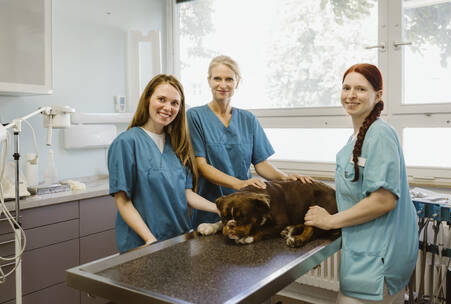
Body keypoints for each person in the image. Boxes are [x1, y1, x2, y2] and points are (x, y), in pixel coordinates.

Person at [304, 63, 418, 303]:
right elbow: (355, 191)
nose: (351, 95)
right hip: (366, 252)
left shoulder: (380, 134)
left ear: (378, 96)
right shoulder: (358, 136)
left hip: (378, 257)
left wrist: (329, 220)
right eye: (346, 88)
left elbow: (383, 200)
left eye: (361, 89)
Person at [187, 55, 313, 228]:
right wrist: (239, 184)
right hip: (210, 208)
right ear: (209, 81)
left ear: (237, 82)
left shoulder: (248, 119)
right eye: (217, 78)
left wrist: (286, 178)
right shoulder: (195, 117)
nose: (223, 84)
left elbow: (261, 164)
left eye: (229, 79)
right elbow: (201, 166)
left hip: (244, 208)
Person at [108, 74, 219, 253]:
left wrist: (220, 209)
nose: (168, 107)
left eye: (175, 103)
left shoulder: (178, 145)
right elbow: (123, 201)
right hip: (143, 243)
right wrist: (150, 240)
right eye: (161, 99)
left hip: (179, 238)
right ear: (147, 99)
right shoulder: (126, 143)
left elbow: (186, 194)